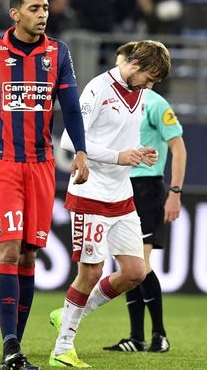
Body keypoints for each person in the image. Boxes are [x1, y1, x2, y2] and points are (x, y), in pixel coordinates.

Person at [0, 0, 89, 370]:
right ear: (15, 14)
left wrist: (80, 149)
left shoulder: (58, 52)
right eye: (34, 8)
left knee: (29, 254)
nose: (43, 14)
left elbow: (72, 107)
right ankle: (10, 345)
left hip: (42, 166)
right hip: (3, 165)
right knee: (8, 249)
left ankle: (15, 347)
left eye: (45, 7)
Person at [49, 40, 171, 368]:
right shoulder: (97, 89)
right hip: (91, 194)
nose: (151, 85)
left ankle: (72, 312)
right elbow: (69, 142)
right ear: (134, 65)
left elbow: (121, 138)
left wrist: (139, 153)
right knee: (91, 271)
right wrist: (120, 156)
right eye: (150, 77)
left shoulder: (140, 93)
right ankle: (62, 350)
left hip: (122, 196)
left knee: (134, 272)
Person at [102, 42, 186, 354]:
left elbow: (178, 147)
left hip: (147, 188)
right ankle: (136, 338)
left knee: (142, 264)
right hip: (121, 185)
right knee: (126, 265)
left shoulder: (155, 103)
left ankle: (159, 335)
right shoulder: (123, 102)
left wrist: (174, 192)